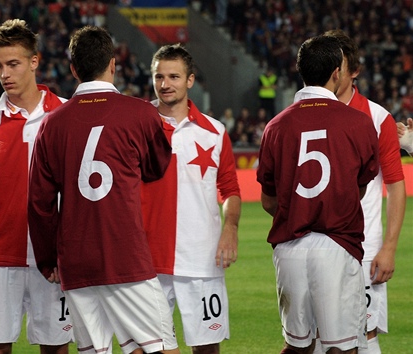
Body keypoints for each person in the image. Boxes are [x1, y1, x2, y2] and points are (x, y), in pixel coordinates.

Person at [27, 25, 178, 354]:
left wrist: (48, 260)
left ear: (73, 69)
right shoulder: (141, 113)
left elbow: (39, 203)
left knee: (95, 350)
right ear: (113, 64)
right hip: (125, 255)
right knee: (162, 348)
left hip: (76, 260)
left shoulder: (51, 124)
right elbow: (156, 167)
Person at [256, 35, 380, 354]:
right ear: (337, 72)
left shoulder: (275, 126)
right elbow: (360, 186)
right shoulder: (359, 122)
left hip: (290, 248)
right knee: (342, 347)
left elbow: (268, 199)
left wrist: (299, 210)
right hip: (337, 245)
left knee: (297, 346)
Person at [0, 19, 72, 354]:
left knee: (55, 347)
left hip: (53, 254)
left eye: (13, 64)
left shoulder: (67, 113)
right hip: (0, 253)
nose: (5, 74)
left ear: (34, 62)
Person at [141, 44, 241, 354]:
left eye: (173, 76)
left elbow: (230, 188)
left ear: (190, 80)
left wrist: (231, 228)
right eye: (159, 77)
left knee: (207, 347)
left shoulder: (214, 132)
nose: (165, 84)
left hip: (201, 258)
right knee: (151, 348)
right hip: (148, 259)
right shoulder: (136, 126)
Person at [312, 29, 406, 354]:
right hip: (314, 243)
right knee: (315, 338)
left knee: (364, 335)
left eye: (337, 66)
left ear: (353, 71)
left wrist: (390, 247)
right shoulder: (307, 113)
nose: (332, 73)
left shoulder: (378, 118)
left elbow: (396, 186)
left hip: (364, 249)